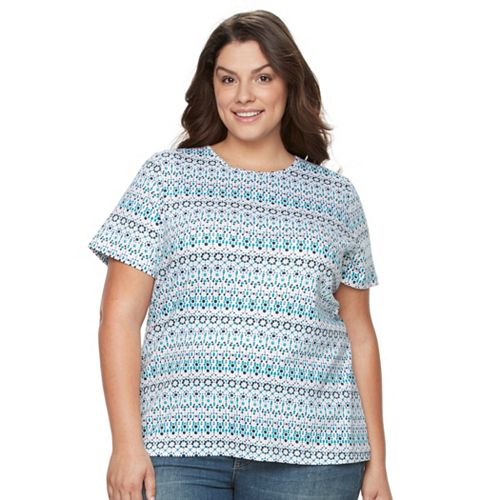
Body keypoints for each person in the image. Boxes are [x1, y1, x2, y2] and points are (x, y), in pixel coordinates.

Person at [88, 9, 393, 500]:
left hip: (316, 455)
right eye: (228, 79)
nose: (244, 95)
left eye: (263, 77)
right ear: (212, 87)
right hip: (179, 448)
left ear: (289, 84)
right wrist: (125, 445)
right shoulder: (165, 179)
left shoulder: (337, 198)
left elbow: (360, 333)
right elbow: (118, 318)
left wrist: (378, 461)